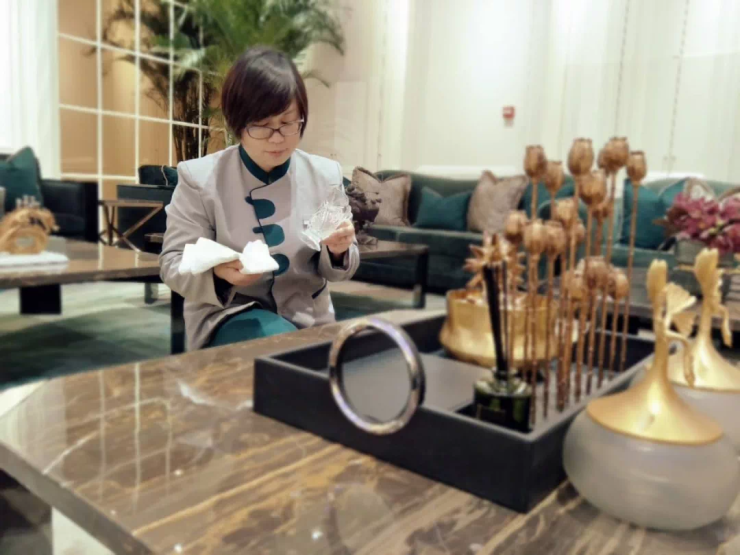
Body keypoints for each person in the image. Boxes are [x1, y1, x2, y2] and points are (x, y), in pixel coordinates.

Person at [160, 46, 359, 350]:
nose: (277, 138)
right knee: (283, 351)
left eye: (288, 123)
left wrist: (338, 251)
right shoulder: (200, 178)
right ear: (237, 124)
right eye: (262, 126)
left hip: (309, 314)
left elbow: (342, 266)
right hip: (230, 312)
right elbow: (172, 263)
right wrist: (219, 276)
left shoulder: (325, 175)